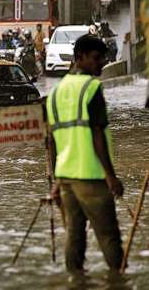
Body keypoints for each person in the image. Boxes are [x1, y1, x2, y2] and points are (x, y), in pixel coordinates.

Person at [47, 34, 124, 275]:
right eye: (96, 58)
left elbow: (51, 141)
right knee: (109, 236)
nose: (101, 62)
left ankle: (76, 281)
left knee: (74, 236)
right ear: (80, 58)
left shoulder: (56, 93)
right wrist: (111, 176)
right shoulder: (92, 88)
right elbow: (97, 133)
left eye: (103, 58)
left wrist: (56, 181)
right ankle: (119, 280)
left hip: (67, 178)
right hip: (91, 176)